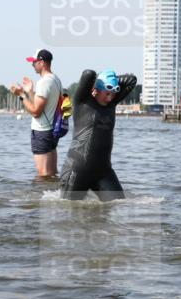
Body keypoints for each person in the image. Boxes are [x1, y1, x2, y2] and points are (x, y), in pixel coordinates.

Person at [60, 69, 137, 201]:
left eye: (113, 94)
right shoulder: (82, 101)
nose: (110, 97)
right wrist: (98, 82)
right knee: (68, 210)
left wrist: (111, 80)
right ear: (97, 89)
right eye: (107, 93)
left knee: (119, 204)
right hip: (77, 170)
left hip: (103, 172)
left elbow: (131, 80)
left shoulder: (111, 104)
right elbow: (87, 74)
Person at [9, 49, 62, 178]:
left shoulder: (44, 82)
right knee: (52, 174)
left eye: (34, 62)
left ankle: (42, 197)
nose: (32, 65)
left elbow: (36, 112)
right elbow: (41, 106)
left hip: (42, 132)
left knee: (43, 174)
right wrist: (30, 92)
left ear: (42, 62)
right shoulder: (55, 79)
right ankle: (53, 196)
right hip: (52, 131)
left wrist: (21, 95)